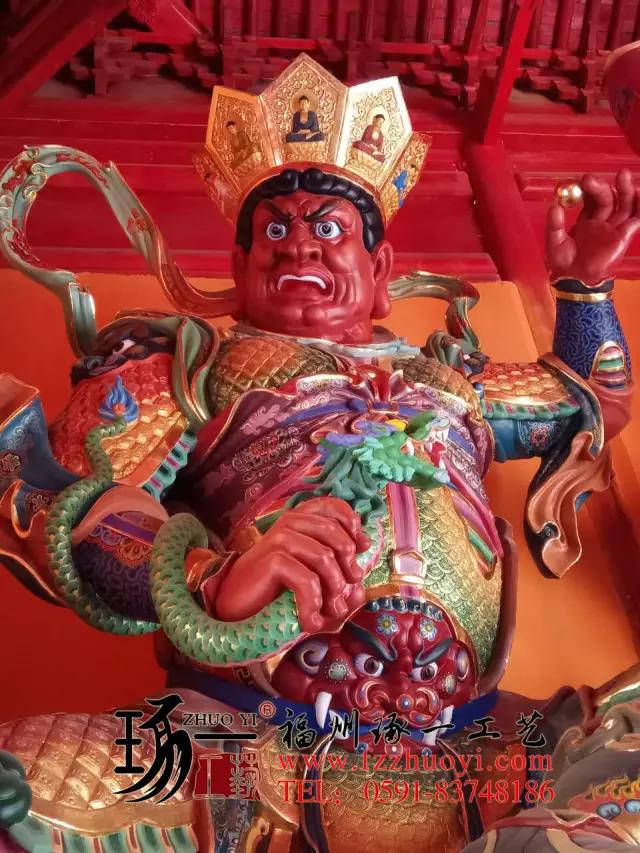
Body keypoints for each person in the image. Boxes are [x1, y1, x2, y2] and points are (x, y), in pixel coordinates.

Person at [0, 55, 638, 852]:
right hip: (236, 746)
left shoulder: (454, 382)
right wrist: (214, 578)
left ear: (380, 270)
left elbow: (590, 398)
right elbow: (72, 512)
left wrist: (585, 290)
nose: (298, 245)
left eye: (328, 228)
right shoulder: (188, 367)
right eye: (275, 229)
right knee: (17, 787)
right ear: (239, 267)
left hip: (479, 749)